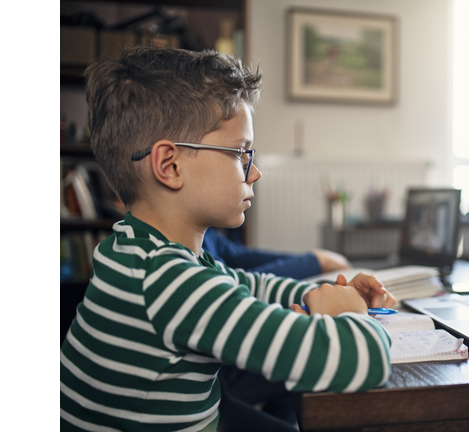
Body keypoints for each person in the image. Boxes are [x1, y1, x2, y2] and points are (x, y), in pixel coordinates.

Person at [60, 46, 396, 432]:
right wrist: (349, 311)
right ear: (170, 165)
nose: (254, 175)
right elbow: (362, 360)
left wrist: (318, 293)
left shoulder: (137, 249)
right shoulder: (171, 281)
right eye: (240, 154)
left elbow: (248, 284)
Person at [202, 229, 354, 431]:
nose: (252, 194)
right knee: (309, 359)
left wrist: (330, 294)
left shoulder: (200, 251)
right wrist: (356, 313)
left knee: (300, 367)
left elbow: (244, 271)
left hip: (213, 380)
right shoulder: (182, 274)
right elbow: (367, 354)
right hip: (213, 390)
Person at [202, 228, 351, 279]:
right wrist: (315, 261)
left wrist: (312, 258)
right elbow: (229, 284)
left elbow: (237, 256)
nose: (255, 174)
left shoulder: (207, 233)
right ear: (176, 168)